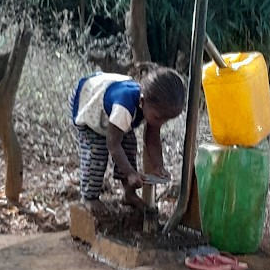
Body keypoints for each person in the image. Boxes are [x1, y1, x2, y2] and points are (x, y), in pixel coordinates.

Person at [70, 64, 185, 215]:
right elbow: (113, 144)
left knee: (129, 146)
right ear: (142, 102)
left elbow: (152, 140)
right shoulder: (124, 107)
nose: (161, 122)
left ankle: (129, 194)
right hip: (90, 104)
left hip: (114, 113)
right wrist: (130, 173)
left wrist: (158, 166)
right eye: (159, 117)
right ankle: (89, 196)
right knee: (96, 153)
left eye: (167, 119)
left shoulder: (153, 107)